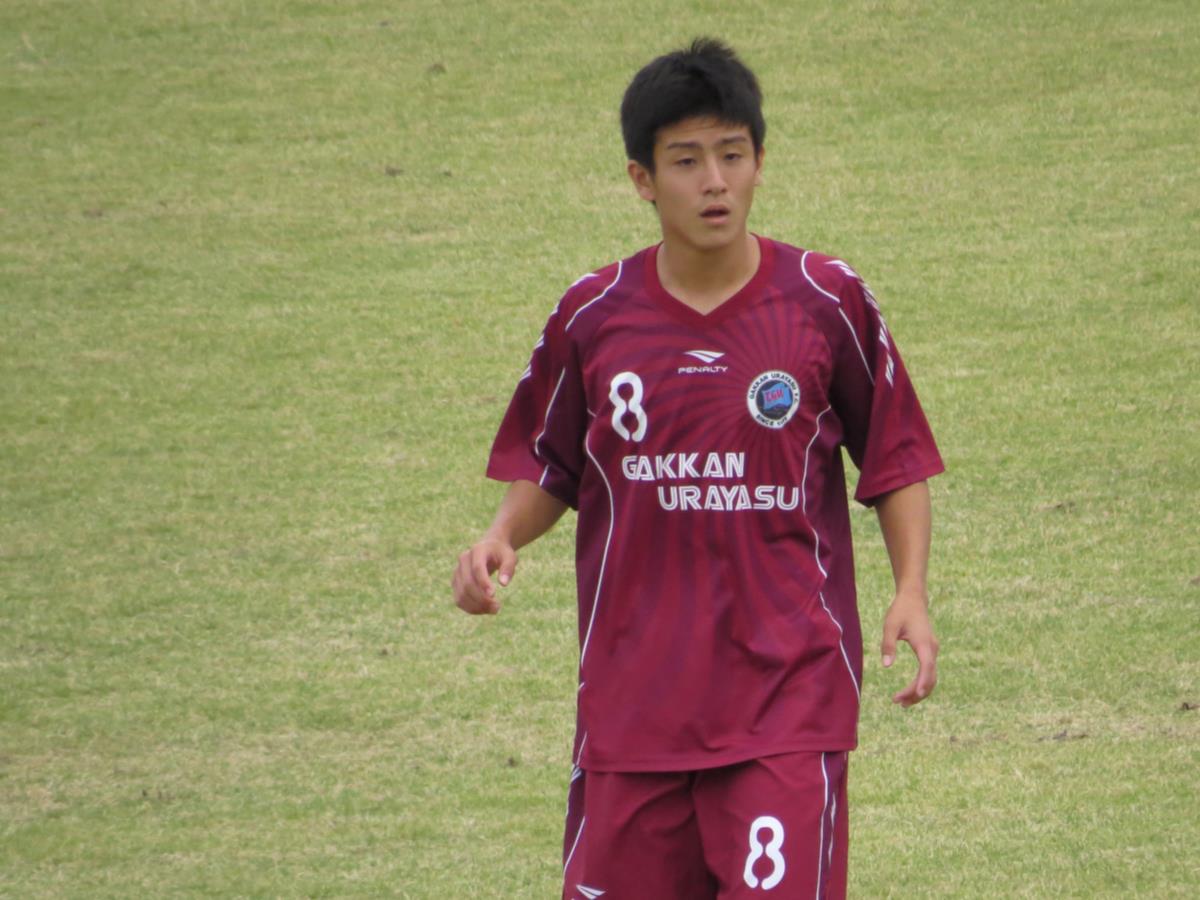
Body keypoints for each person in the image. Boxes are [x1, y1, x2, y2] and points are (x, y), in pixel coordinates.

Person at [451, 37, 944, 899]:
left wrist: (911, 590)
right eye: (686, 161)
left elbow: (895, 457)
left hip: (786, 700)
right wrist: (501, 535)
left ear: (760, 162)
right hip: (632, 708)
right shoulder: (593, 315)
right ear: (642, 179)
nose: (714, 181)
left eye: (732, 155)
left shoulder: (824, 299)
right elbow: (552, 462)